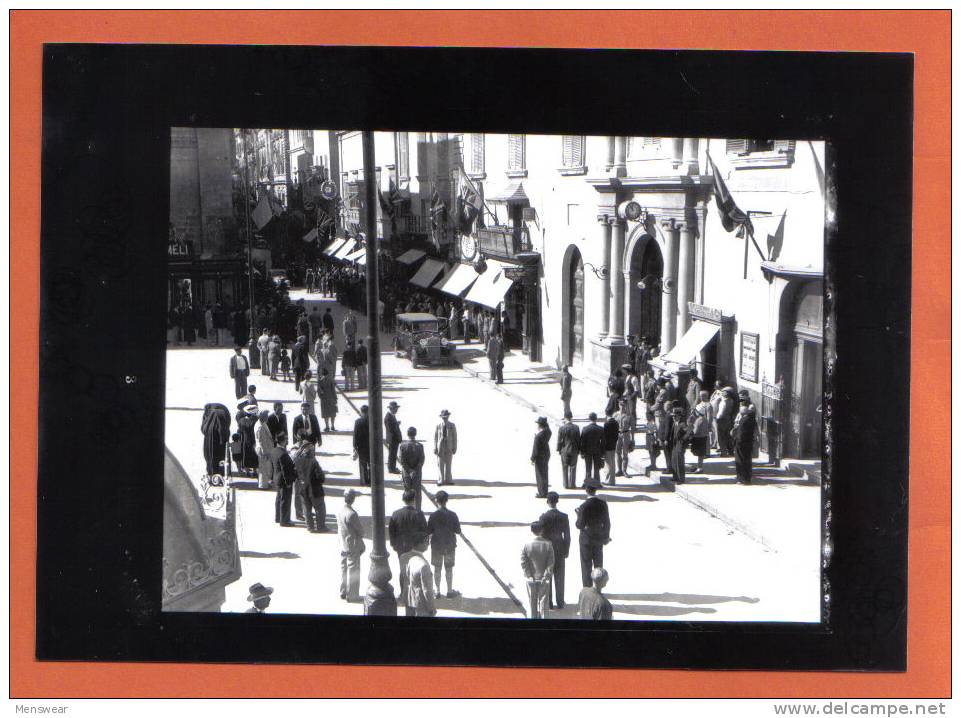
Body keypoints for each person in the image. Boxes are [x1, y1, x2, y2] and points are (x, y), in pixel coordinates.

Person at [389, 488, 429, 604]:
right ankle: (413, 595)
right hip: (415, 548)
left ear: (403, 500)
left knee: (403, 571)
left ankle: (403, 594)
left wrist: (394, 545)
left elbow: (392, 532)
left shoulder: (396, 514)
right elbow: (425, 531)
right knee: (414, 571)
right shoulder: (419, 514)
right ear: (414, 500)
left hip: (401, 548)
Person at [427, 490, 462, 598]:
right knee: (449, 568)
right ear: (446, 501)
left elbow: (429, 531)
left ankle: (437, 591)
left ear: (436, 500)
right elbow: (458, 531)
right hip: (450, 545)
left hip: (437, 546)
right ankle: (449, 590)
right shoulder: (453, 515)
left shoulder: (433, 516)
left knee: (437, 568)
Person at [539, 492, 570, 610]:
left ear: (547, 502)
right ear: (557, 502)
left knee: (548, 576)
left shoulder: (543, 517)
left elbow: (541, 535)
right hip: (560, 548)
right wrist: (566, 550)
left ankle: (549, 602)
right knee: (560, 577)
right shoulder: (564, 516)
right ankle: (560, 602)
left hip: (548, 550)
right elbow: (567, 536)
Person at [575, 484, 610, 588]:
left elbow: (579, 525)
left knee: (586, 565)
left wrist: (578, 515)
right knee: (598, 564)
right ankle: (599, 586)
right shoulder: (603, 504)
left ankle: (587, 587)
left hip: (586, 539)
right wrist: (606, 537)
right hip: (598, 538)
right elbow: (607, 523)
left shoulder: (584, 506)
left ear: (586, 490)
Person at [520, 521, 555, 619]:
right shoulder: (548, 544)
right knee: (544, 603)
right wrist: (546, 575)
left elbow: (523, 562)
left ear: (531, 530)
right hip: (544, 578)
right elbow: (551, 562)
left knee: (532, 602)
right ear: (542, 531)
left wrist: (529, 575)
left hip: (531, 578)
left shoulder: (526, 545)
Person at [337, 488, 366, 601]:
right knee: (353, 569)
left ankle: (343, 591)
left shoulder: (340, 511)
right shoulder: (352, 514)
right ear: (353, 499)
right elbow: (361, 531)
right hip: (352, 545)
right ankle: (352, 594)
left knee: (343, 568)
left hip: (342, 543)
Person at [293, 441, 327, 533]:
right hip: (314, 489)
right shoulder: (314, 462)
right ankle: (321, 527)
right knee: (320, 508)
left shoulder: (297, 461)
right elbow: (320, 476)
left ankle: (310, 527)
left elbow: (295, 474)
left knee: (306, 509)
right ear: (311, 452)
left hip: (303, 488)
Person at [402, 535, 436, 617]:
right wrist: (432, 608)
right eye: (426, 542)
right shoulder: (424, 566)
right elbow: (427, 590)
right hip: (422, 605)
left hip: (411, 601)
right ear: (419, 544)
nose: (428, 544)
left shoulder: (409, 559)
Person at [270, 432, 297, 526]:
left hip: (277, 478)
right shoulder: (283, 454)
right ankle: (284, 520)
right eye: (285, 440)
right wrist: (288, 482)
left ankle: (278, 517)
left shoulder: (274, 451)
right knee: (285, 500)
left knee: (279, 499)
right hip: (284, 480)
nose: (287, 441)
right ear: (282, 441)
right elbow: (285, 470)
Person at [732, 397, 759, 485]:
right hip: (747, 443)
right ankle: (746, 478)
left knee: (741, 461)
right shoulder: (751, 419)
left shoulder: (744, 420)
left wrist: (736, 442)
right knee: (747, 461)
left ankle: (742, 478)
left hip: (742, 444)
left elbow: (740, 434)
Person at [200, 403, 232, 476]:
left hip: (209, 444)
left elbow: (203, 429)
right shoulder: (222, 414)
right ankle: (222, 475)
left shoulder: (208, 422)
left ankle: (212, 474)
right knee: (222, 459)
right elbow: (227, 427)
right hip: (221, 444)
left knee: (210, 458)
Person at [398, 426, 426, 511]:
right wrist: (415, 470)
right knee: (417, 492)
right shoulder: (420, 446)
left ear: (407, 434)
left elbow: (402, 460)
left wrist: (409, 471)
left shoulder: (403, 446)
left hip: (406, 472)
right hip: (417, 473)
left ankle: (408, 508)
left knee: (407, 491)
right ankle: (417, 509)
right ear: (415, 434)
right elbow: (422, 460)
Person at [667, 405, 693, 485]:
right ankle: (675, 477)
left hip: (679, 445)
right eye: (673, 416)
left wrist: (683, 440)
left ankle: (680, 479)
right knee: (674, 460)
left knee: (679, 462)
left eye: (675, 416)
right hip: (674, 444)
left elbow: (689, 432)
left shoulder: (682, 424)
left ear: (679, 416)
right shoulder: (675, 423)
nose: (673, 417)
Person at [690, 390, 714, 472]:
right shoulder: (700, 404)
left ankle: (707, 453)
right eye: (700, 395)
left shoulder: (708, 405)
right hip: (697, 423)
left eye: (703, 395)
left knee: (705, 440)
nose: (701, 397)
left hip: (703, 425)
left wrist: (708, 425)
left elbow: (709, 417)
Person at [579, 412, 605, 488]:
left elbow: (582, 441)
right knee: (596, 468)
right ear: (596, 419)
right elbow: (603, 442)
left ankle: (587, 483)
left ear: (589, 419)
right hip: (597, 451)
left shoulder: (585, 429)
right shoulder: (600, 429)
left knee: (588, 468)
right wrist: (602, 452)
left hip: (587, 451)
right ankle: (597, 482)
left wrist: (582, 452)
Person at [556, 410, 580, 490]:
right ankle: (572, 484)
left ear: (565, 418)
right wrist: (579, 450)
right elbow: (578, 440)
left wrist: (558, 449)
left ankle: (566, 484)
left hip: (564, 450)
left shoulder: (562, 428)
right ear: (571, 418)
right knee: (573, 467)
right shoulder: (576, 427)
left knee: (564, 467)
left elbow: (559, 440)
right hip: (574, 450)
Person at [235, 404, 260, 476]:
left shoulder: (241, 421)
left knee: (245, 456)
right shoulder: (255, 420)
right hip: (253, 440)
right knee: (254, 456)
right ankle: (255, 471)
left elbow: (239, 431)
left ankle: (247, 472)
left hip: (244, 441)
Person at [434, 409, 457, 486]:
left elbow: (455, 437)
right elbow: (435, 437)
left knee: (448, 463)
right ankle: (441, 479)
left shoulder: (452, 425)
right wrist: (435, 447)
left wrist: (455, 447)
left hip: (449, 446)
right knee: (440, 463)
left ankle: (449, 479)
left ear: (448, 417)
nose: (445, 418)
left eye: (446, 417)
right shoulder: (438, 426)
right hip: (440, 446)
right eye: (443, 417)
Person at [531, 416, 553, 498]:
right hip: (546, 454)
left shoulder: (538, 436)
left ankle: (541, 493)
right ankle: (545, 491)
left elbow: (535, 450)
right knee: (545, 473)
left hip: (540, 456)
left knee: (540, 475)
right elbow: (548, 429)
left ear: (540, 425)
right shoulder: (548, 432)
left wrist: (532, 459)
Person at [715, 387, 738, 457]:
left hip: (722, 419)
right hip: (728, 419)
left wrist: (717, 418)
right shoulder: (730, 400)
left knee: (721, 436)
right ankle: (730, 451)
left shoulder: (725, 402)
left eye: (724, 392)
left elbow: (721, 412)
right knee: (728, 436)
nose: (722, 392)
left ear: (727, 393)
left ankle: (723, 452)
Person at [256, 409, 275, 490]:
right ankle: (263, 485)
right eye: (266, 416)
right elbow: (261, 441)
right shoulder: (260, 427)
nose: (267, 417)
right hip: (263, 450)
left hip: (266, 449)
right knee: (264, 468)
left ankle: (265, 483)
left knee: (266, 468)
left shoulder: (263, 424)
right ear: (262, 417)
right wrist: (265, 452)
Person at [352, 404, 371, 487]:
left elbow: (355, 435)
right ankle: (371, 480)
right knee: (371, 464)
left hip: (361, 447)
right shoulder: (373, 421)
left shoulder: (358, 421)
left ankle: (364, 481)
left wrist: (354, 446)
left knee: (362, 464)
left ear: (361, 412)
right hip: (371, 446)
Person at [615, 400, 633, 478]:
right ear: (619, 405)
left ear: (626, 405)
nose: (622, 406)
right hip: (618, 434)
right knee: (617, 452)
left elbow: (632, 428)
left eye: (624, 405)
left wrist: (633, 439)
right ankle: (619, 470)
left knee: (625, 453)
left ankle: (624, 470)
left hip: (626, 434)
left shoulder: (629, 416)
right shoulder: (615, 415)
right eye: (621, 404)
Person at [384, 401, 403, 475]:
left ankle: (392, 467)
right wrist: (396, 425)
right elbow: (391, 429)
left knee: (393, 454)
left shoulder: (392, 416)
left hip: (394, 439)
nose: (396, 410)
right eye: (396, 409)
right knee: (392, 454)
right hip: (393, 439)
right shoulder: (388, 417)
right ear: (392, 409)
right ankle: (391, 468)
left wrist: (396, 424)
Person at [602, 408, 619, 486]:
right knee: (613, 462)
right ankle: (613, 480)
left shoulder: (607, 424)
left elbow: (604, 436)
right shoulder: (616, 423)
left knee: (608, 463)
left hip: (607, 445)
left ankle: (608, 480)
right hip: (614, 444)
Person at [318, 367, 338, 431]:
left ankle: (327, 426)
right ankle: (333, 425)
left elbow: (319, 391)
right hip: (331, 398)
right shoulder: (331, 380)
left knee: (325, 413)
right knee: (332, 413)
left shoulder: (320, 380)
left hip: (324, 399)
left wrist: (321, 397)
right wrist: (335, 398)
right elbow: (333, 390)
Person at [645, 405, 663, 473]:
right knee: (650, 451)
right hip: (648, 437)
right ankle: (652, 464)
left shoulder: (653, 422)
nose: (647, 417)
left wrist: (655, 440)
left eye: (648, 416)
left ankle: (654, 464)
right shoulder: (649, 422)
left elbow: (655, 432)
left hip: (652, 438)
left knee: (653, 452)